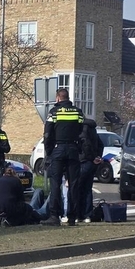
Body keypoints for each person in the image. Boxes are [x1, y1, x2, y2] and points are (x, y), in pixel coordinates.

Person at [41, 88, 84, 226]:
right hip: (73, 149)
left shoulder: (54, 112)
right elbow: (82, 132)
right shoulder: (78, 112)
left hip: (58, 150)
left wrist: (49, 152)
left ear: (58, 98)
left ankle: (54, 216)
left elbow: (47, 134)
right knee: (74, 184)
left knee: (56, 183)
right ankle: (72, 217)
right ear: (68, 97)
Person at [74, 117, 103, 224]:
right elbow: (100, 144)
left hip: (83, 162)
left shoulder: (82, 128)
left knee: (77, 189)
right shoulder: (92, 128)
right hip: (91, 163)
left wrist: (91, 157)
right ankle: (88, 215)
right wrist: (97, 156)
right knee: (87, 189)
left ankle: (78, 215)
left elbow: (85, 145)